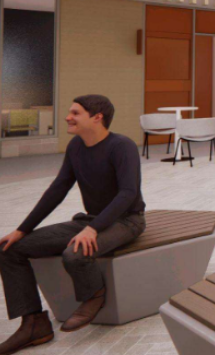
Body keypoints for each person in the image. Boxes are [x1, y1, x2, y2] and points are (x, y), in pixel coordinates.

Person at [0, 95, 145, 353]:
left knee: (75, 254)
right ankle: (34, 323)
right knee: (9, 250)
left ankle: (94, 295)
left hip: (127, 220)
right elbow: (58, 189)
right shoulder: (76, 147)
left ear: (97, 117)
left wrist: (93, 229)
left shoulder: (122, 146)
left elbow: (128, 193)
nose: (68, 117)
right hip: (91, 221)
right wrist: (22, 230)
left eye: (75, 113)